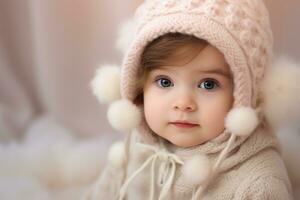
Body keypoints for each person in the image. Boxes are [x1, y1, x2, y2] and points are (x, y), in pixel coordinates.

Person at [86, 0, 295, 199]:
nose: (183, 103)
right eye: (165, 82)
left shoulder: (259, 183)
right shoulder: (137, 147)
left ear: (243, 94)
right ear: (139, 86)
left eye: (208, 84)